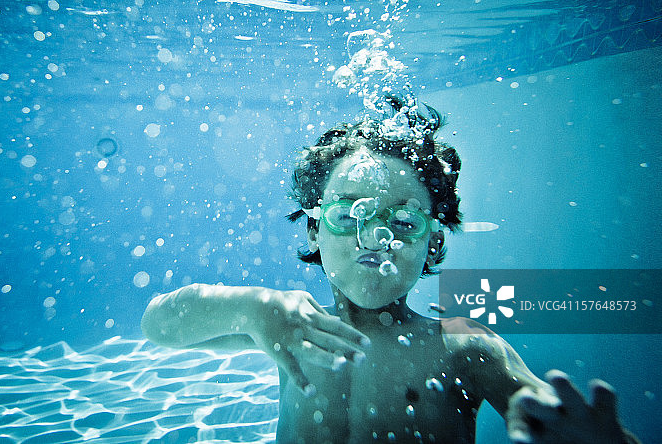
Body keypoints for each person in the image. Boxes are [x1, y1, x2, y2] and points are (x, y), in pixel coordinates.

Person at [141, 94, 640, 444]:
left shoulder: (463, 348)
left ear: (433, 240)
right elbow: (159, 327)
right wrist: (248, 307)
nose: (375, 237)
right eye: (347, 215)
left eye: (403, 219)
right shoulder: (291, 329)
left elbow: (561, 423)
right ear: (314, 229)